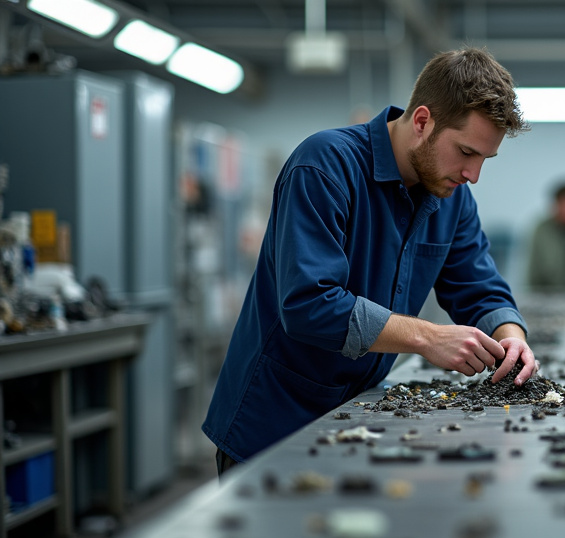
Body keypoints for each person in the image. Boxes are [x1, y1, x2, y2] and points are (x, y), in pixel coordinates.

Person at [203, 48, 537, 476]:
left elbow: (477, 284)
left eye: (483, 160)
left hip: (360, 421)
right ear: (422, 122)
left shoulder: (451, 198)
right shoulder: (324, 166)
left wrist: (511, 338)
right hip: (274, 429)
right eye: (466, 152)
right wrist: (427, 338)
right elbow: (309, 305)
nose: (473, 175)